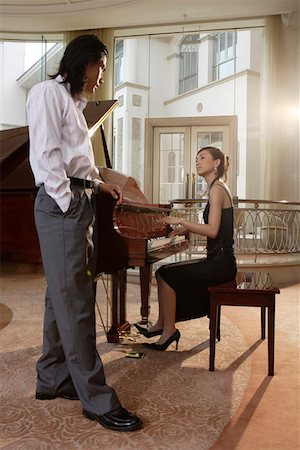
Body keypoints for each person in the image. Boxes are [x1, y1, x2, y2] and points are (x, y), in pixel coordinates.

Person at [27, 34, 142, 431]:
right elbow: (45, 155)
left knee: (58, 296)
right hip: (64, 206)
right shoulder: (47, 93)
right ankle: (96, 398)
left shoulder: (75, 106)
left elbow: (77, 163)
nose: (101, 78)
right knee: (76, 301)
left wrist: (96, 185)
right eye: (101, 69)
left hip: (79, 200)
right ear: (84, 61)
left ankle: (52, 377)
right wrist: (68, 201)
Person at [135, 146, 237, 351]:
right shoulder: (218, 187)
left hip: (221, 264)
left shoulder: (217, 189)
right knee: (163, 272)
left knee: (167, 274)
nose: (197, 161)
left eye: (202, 157)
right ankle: (162, 325)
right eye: (196, 158)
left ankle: (169, 330)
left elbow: (213, 230)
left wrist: (180, 220)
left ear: (216, 163)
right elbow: (217, 229)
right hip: (219, 260)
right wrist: (186, 229)